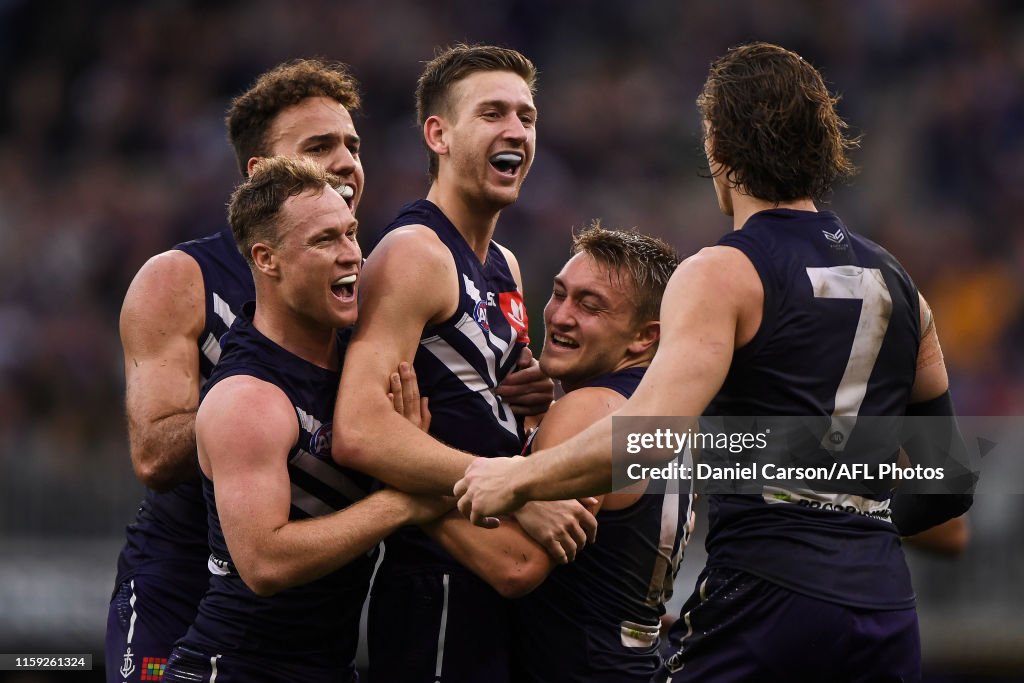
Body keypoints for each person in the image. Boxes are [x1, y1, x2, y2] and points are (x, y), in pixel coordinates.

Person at [453, 42, 974, 682]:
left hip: (768, 590)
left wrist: (516, 480)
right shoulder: (903, 286)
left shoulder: (724, 270)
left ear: (717, 148)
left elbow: (646, 437)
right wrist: (849, 524)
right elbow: (949, 483)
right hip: (885, 606)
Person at [106, 57, 550, 682]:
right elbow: (154, 456)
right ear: (265, 177)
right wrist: (261, 416)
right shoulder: (183, 282)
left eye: (353, 144)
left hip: (322, 632)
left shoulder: (353, 287)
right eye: (320, 147)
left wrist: (495, 391)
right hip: (184, 583)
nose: (345, 162)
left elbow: (387, 409)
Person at [333, 44, 594, 682]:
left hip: (496, 576)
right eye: (493, 113)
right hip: (438, 578)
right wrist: (515, 489)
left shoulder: (503, 264)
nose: (516, 131)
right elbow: (359, 429)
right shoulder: (413, 252)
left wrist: (532, 409)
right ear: (439, 134)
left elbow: (476, 401)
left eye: (527, 117)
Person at [158, 156, 447, 681]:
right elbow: (265, 563)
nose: (353, 256)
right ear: (267, 259)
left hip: (330, 667)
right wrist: (401, 500)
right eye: (325, 241)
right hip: (239, 669)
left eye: (353, 233)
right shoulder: (247, 397)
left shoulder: (359, 359)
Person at [507, 224, 690, 682]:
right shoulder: (665, 417)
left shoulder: (588, 410)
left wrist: (409, 492)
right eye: (559, 293)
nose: (560, 316)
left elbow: (516, 566)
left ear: (644, 337)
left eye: (589, 306)